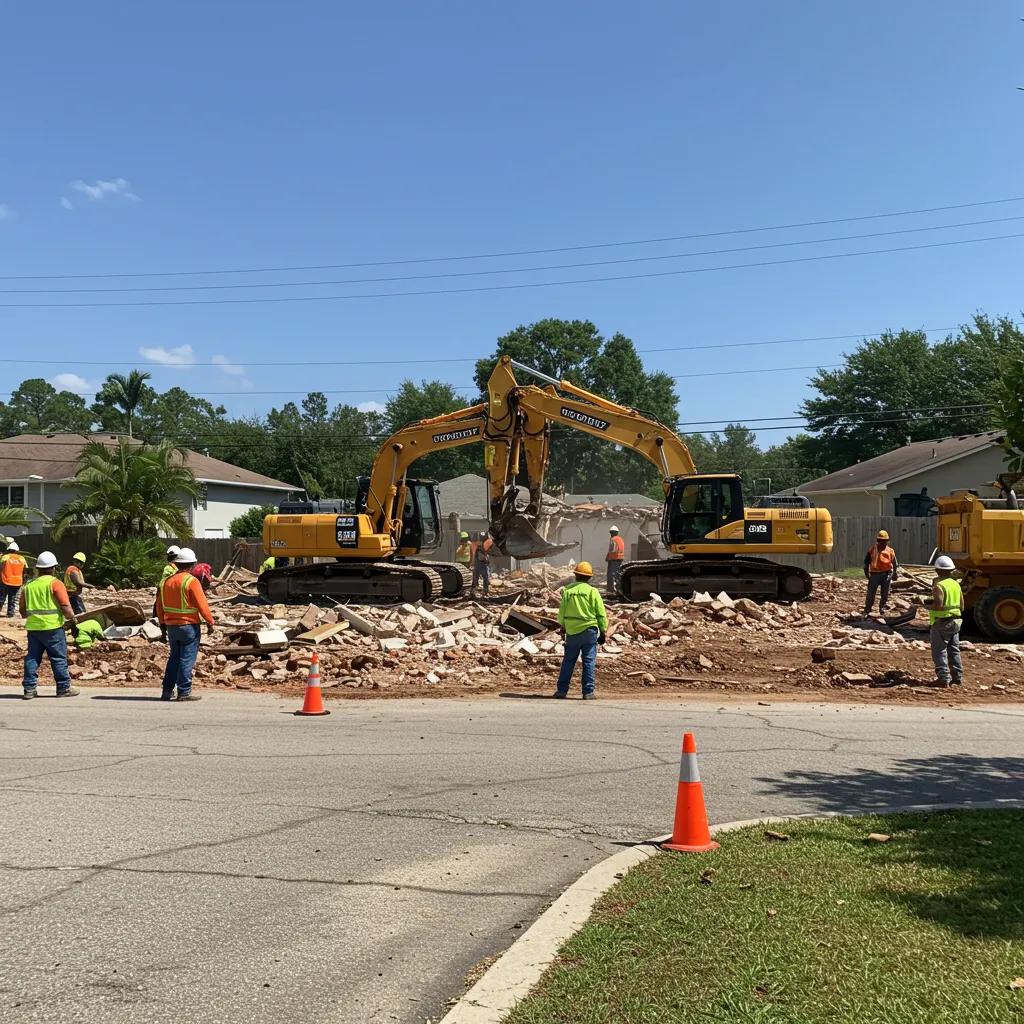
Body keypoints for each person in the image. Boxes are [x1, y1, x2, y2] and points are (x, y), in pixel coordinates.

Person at [155, 546, 215, 702]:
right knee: (186, 659)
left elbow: (159, 606)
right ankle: (184, 692)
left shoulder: (166, 582)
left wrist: (162, 625)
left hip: (171, 627)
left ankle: (167, 691)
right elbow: (202, 604)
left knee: (174, 658)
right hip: (189, 626)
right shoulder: (191, 581)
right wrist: (210, 622)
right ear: (192, 564)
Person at [20, 551, 80, 699]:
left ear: (38, 568)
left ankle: (29, 689)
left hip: (34, 629)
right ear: (53, 567)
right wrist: (73, 620)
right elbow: (65, 606)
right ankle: (63, 688)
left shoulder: (29, 586)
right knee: (58, 658)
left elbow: (22, 611)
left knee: (32, 658)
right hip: (53, 629)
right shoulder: (55, 583)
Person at [553, 561, 607, 700]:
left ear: (575, 575)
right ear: (589, 578)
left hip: (572, 632)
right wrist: (603, 631)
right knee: (589, 661)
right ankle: (588, 692)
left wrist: (563, 628)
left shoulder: (568, 591)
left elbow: (562, 614)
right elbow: (601, 613)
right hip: (589, 631)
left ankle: (561, 691)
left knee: (568, 661)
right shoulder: (593, 592)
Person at [920, 554, 964, 687]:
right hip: (956, 622)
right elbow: (962, 605)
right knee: (954, 650)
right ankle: (957, 678)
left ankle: (943, 678)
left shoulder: (939, 586)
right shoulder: (956, 585)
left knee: (939, 651)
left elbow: (938, 605)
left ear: (937, 570)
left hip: (941, 622)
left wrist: (925, 605)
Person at [863, 529, 899, 616]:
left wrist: (894, 573)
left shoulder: (890, 551)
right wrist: (867, 574)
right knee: (871, 593)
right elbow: (866, 563)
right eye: (880, 541)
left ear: (887, 541)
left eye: (884, 541)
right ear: (878, 541)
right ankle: (867, 609)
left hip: (886, 574)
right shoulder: (872, 550)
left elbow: (894, 563)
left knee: (885, 593)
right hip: (875, 575)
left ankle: (882, 608)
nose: (882, 542)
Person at [0, 541, 28, 618]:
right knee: (12, 598)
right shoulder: (22, 558)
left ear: (9, 549)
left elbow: (1, 567)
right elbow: (25, 570)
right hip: (17, 582)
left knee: (1, 598)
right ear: (17, 550)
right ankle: (10, 614)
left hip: (5, 580)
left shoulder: (5, 557)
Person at [471, 531, 493, 597]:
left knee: (479, 576)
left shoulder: (486, 542)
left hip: (482, 563)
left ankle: (481, 591)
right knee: (481, 576)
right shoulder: (487, 541)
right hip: (481, 563)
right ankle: (480, 591)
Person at [606, 525, 625, 596]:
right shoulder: (620, 539)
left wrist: (609, 557)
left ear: (612, 532)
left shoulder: (613, 539)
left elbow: (612, 549)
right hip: (620, 559)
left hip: (614, 559)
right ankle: (619, 589)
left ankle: (611, 590)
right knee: (618, 574)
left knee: (611, 575)